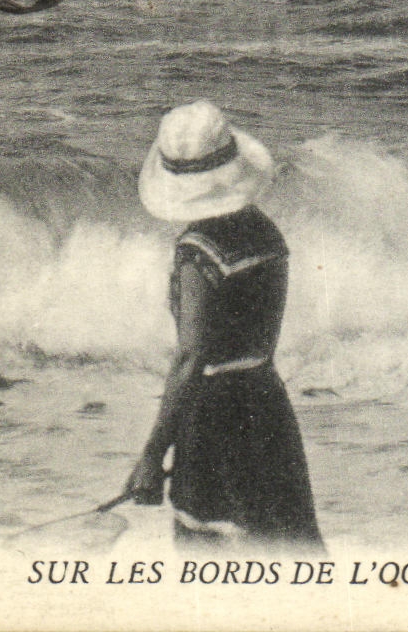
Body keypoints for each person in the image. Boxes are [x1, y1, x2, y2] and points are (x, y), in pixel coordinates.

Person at [127, 100, 323, 551]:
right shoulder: (267, 233)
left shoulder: (197, 250)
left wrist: (151, 456)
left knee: (207, 560)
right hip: (267, 407)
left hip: (214, 418)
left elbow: (191, 357)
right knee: (289, 548)